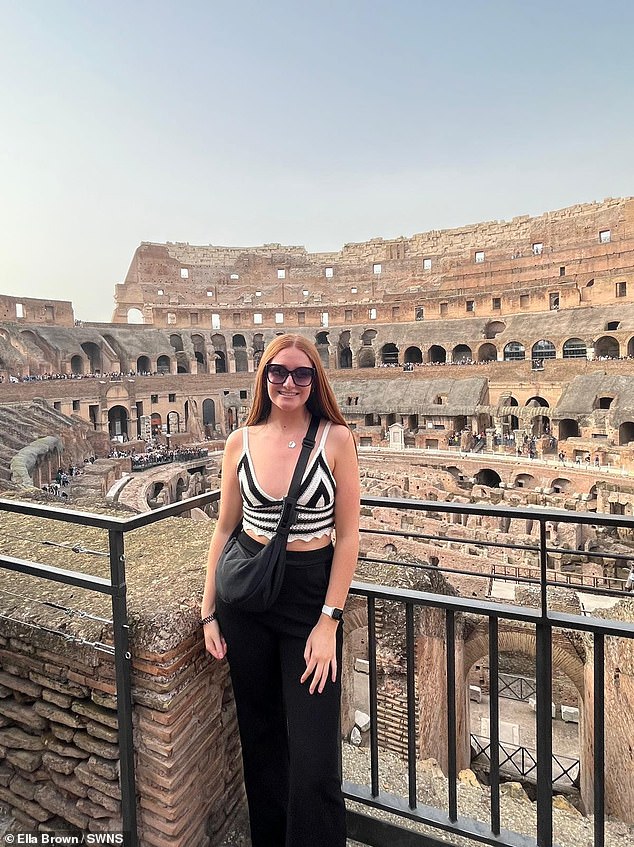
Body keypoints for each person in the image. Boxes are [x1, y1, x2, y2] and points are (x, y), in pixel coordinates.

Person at [201, 334, 360, 847]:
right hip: (245, 601)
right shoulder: (239, 442)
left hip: (309, 599)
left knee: (314, 759)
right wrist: (208, 611)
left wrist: (329, 620)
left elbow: (349, 535)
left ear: (315, 381)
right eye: (278, 371)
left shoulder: (336, 439)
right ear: (263, 377)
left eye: (301, 373)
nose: (288, 382)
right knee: (261, 738)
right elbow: (224, 529)